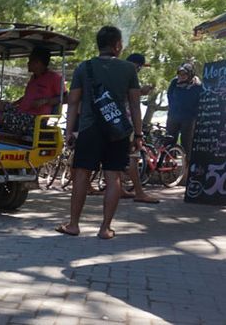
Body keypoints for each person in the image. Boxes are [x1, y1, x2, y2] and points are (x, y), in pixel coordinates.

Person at [56, 26, 142, 240]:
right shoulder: (129, 69)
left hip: (89, 129)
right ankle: (105, 228)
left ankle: (74, 225)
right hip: (118, 130)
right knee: (113, 177)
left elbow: (73, 102)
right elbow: (135, 104)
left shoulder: (84, 68)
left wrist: (69, 132)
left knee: (82, 176)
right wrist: (138, 135)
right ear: (118, 45)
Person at [0, 47, 65, 134]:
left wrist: (46, 101)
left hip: (34, 120)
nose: (28, 63)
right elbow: (28, 97)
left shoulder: (55, 78)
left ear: (38, 63)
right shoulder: (34, 77)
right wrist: (14, 103)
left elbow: (66, 97)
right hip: (21, 112)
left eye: (30, 61)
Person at [122, 53, 159, 203]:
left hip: (114, 122)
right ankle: (139, 192)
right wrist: (138, 133)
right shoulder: (129, 76)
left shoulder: (117, 74)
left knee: (117, 159)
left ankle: (120, 189)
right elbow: (133, 102)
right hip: (127, 122)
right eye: (140, 67)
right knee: (133, 157)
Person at [167, 63, 202, 159]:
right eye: (179, 74)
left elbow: (199, 101)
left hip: (189, 118)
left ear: (190, 74)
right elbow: (169, 95)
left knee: (186, 143)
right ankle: (168, 161)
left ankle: (186, 165)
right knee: (169, 140)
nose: (181, 76)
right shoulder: (174, 82)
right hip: (173, 116)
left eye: (184, 74)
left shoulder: (197, 85)